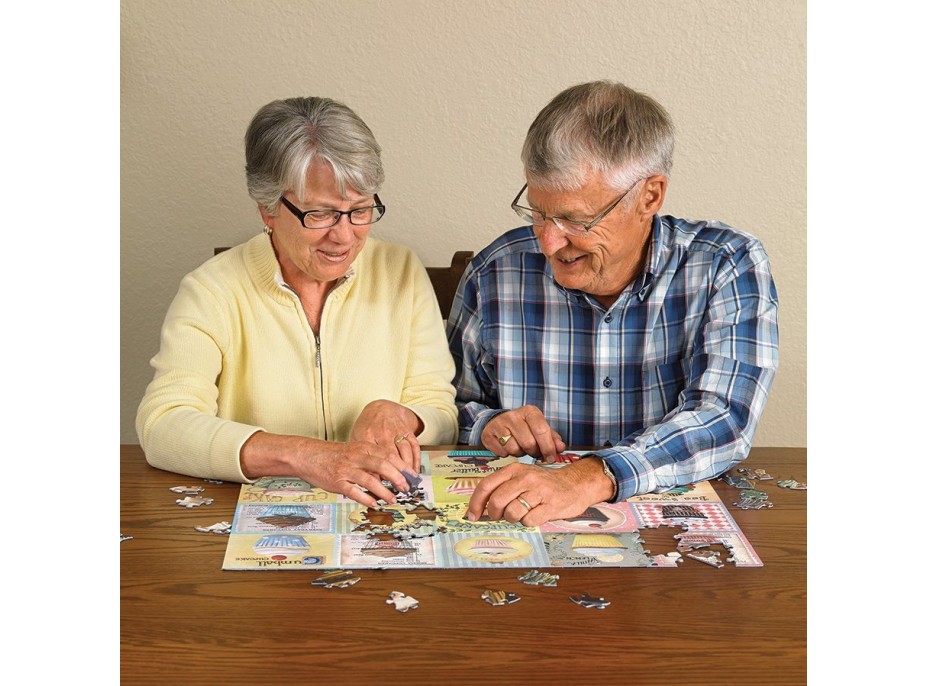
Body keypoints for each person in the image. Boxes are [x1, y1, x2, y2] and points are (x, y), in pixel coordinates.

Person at [448, 81, 779, 526]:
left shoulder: (726, 265)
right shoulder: (495, 271)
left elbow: (724, 418)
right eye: (539, 212)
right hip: (519, 527)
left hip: (669, 534)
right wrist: (486, 424)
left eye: (576, 220)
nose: (549, 242)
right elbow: (447, 402)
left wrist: (593, 476)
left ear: (650, 196)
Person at [136, 96, 458, 507]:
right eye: (320, 214)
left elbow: (441, 412)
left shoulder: (400, 271)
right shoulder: (211, 290)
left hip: (379, 516)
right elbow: (162, 425)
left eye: (360, 210)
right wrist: (304, 455)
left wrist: (402, 415)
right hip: (260, 523)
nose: (344, 236)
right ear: (268, 209)